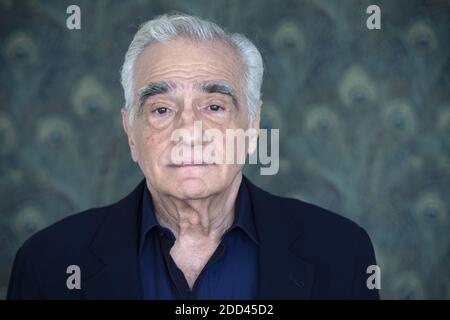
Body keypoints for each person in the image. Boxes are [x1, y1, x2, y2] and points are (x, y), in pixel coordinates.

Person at [7, 13, 379, 299]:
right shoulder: (47, 264)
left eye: (214, 107)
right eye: (161, 109)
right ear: (131, 132)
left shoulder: (342, 253)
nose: (188, 131)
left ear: (252, 126)